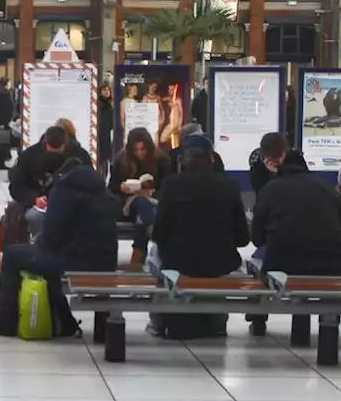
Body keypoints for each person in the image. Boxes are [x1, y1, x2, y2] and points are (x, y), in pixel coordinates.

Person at [0, 156, 118, 337]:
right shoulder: (105, 193)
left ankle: (5, 321)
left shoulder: (64, 191)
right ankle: (69, 322)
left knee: (13, 255)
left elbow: (52, 236)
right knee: (50, 262)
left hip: (73, 261)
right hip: (105, 263)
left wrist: (38, 243)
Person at [249, 131, 341, 336]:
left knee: (257, 262)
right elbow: (339, 224)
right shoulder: (326, 189)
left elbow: (257, 238)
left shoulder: (271, 189)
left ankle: (258, 319)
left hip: (285, 260)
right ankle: (328, 333)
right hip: (330, 263)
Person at [149, 135, 248, 338]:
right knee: (216, 268)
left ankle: (159, 321)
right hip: (220, 262)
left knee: (153, 255)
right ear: (211, 159)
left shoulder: (171, 184)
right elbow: (242, 238)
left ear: (182, 159)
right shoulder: (229, 185)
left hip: (179, 261)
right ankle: (218, 320)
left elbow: (160, 234)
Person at [10, 125, 79, 240]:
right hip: (37, 203)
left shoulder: (76, 156)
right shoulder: (29, 156)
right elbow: (17, 187)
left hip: (69, 203)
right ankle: (42, 246)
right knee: (35, 217)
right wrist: (34, 199)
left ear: (65, 145)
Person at [108, 127, 165, 264]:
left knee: (144, 215)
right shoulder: (122, 160)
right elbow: (111, 186)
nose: (140, 153)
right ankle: (149, 235)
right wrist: (122, 187)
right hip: (129, 202)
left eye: (143, 149)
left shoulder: (161, 160)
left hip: (154, 201)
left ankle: (138, 254)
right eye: (136, 150)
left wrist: (151, 192)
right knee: (142, 204)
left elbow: (165, 186)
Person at [97, 84, 114, 178]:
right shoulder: (99, 104)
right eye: (104, 89)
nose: (107, 91)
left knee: (106, 160)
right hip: (101, 135)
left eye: (108, 90)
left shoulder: (110, 105)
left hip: (107, 135)